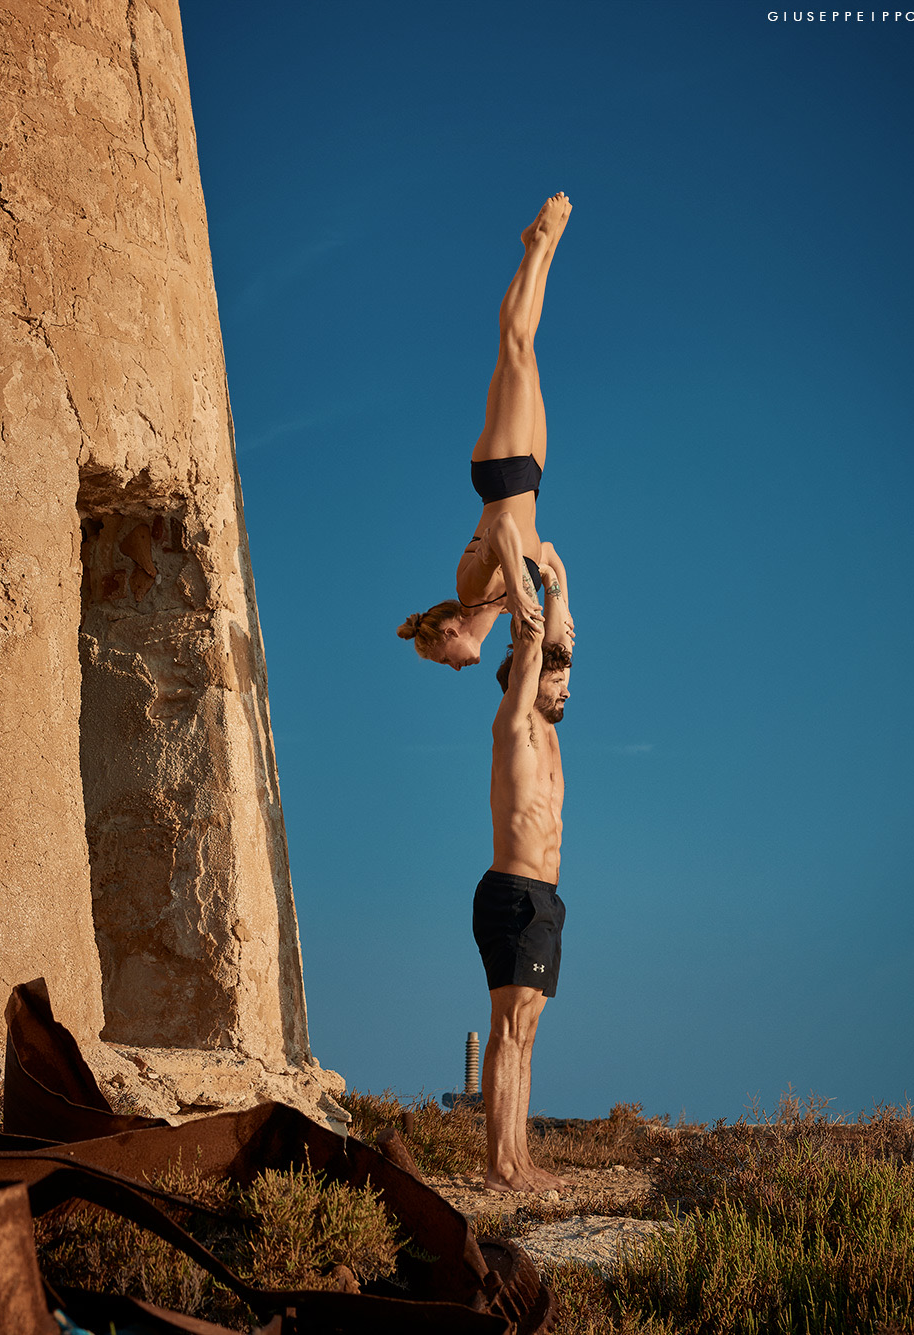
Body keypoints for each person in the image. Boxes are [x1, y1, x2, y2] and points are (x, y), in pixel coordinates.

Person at [398, 194, 575, 670]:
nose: (453, 667)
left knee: (514, 346)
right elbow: (549, 553)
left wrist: (517, 589)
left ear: (449, 631)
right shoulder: (500, 609)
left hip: (501, 473)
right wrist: (559, 601)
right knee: (528, 350)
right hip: (530, 476)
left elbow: (501, 529)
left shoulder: (471, 592)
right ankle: (545, 246)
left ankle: (537, 243)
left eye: (443, 658)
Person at [474, 609, 572, 1193]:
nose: (567, 691)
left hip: (545, 899)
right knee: (508, 1028)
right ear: (526, 680)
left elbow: (556, 639)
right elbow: (534, 644)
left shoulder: (550, 735)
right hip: (513, 895)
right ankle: (499, 1167)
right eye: (557, 682)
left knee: (527, 1034)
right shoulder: (514, 723)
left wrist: (558, 585)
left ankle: (519, 1159)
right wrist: (536, 576)